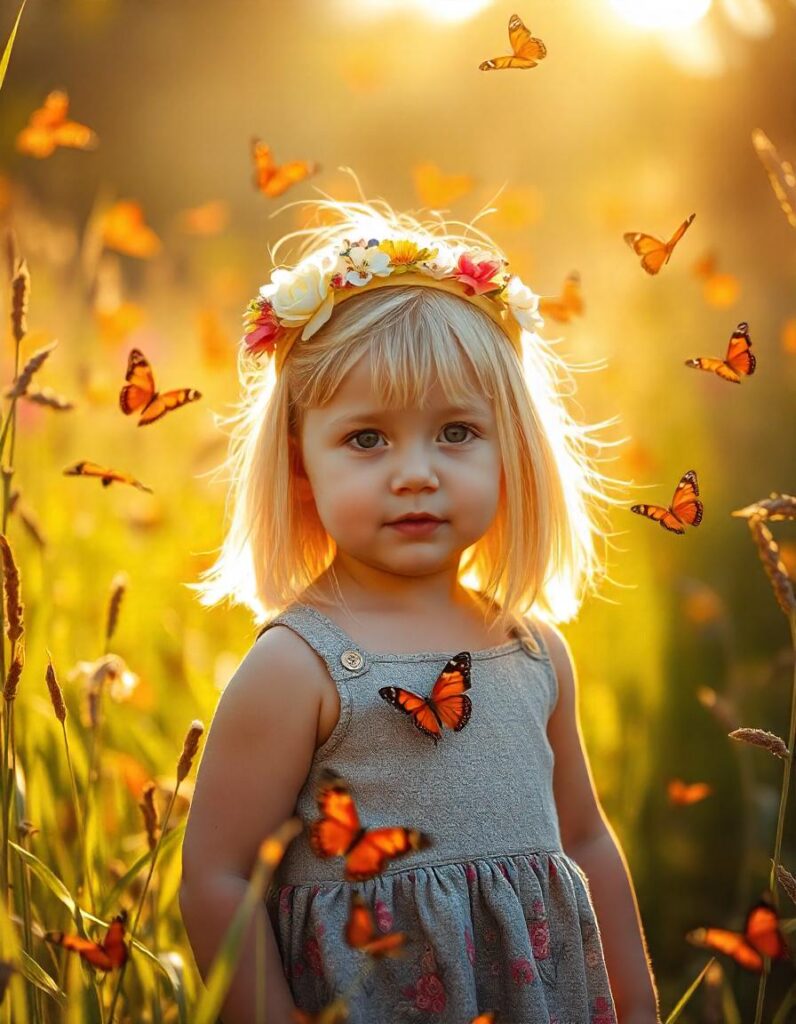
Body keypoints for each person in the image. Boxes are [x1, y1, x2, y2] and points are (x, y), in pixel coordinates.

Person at [179, 190, 661, 1024]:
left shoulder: (533, 650)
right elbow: (218, 879)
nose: (416, 474)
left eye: (456, 433)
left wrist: (640, 1007)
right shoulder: (300, 664)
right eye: (367, 439)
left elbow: (585, 841)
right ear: (301, 465)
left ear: (512, 446)